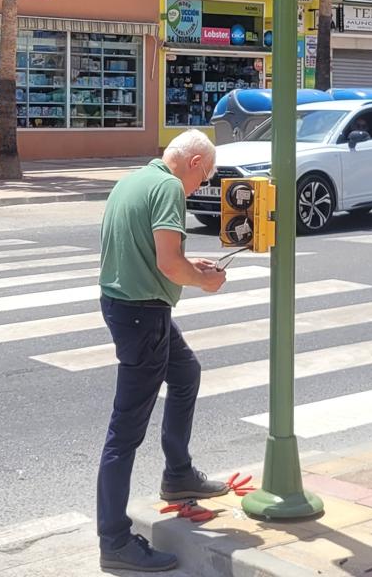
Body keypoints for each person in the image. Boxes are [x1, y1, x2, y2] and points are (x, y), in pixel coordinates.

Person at [96, 129, 229, 572]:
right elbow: (168, 262)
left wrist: (193, 267)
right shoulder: (170, 187)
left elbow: (147, 254)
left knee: (187, 371)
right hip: (143, 315)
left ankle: (178, 474)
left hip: (126, 305)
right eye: (204, 178)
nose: (199, 187)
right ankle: (114, 540)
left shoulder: (132, 180)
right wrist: (204, 280)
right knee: (125, 432)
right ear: (193, 164)